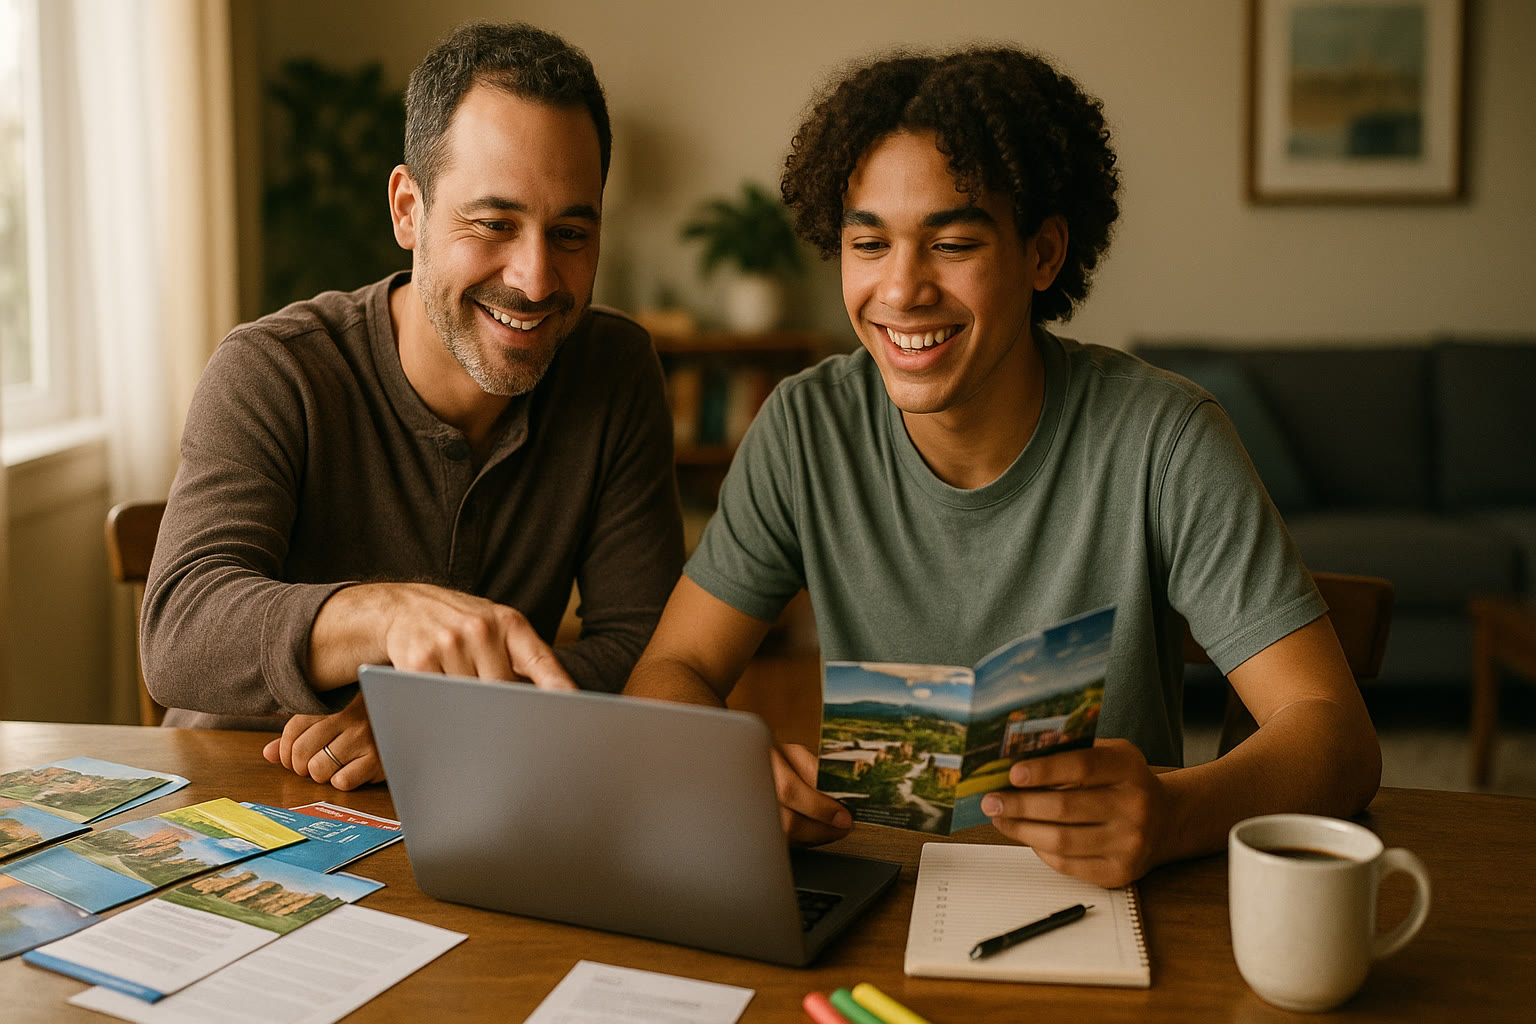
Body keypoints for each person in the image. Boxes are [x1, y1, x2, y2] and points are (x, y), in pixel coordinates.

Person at [624, 46, 1380, 887]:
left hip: (1112, 908)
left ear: (1044, 254)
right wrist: (729, 771)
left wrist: (1173, 814)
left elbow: (1336, 736)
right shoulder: (805, 428)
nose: (901, 290)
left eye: (950, 243)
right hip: (876, 893)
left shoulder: (1165, 438)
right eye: (868, 243)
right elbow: (672, 668)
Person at [142, 21, 684, 791]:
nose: (535, 278)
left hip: (468, 804)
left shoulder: (614, 370)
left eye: (570, 231)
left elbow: (644, 642)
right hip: (239, 812)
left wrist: (436, 718)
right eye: (493, 224)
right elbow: (178, 635)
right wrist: (387, 618)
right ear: (407, 209)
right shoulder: (275, 368)